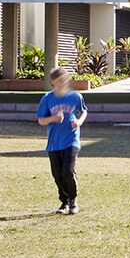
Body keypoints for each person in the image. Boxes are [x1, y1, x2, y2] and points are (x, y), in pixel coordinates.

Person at [34, 65, 87, 214]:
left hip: (71, 140)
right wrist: (53, 118)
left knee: (67, 171)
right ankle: (64, 203)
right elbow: (41, 120)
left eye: (64, 80)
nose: (62, 83)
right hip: (54, 143)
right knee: (57, 174)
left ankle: (73, 201)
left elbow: (83, 111)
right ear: (52, 81)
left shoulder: (75, 97)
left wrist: (78, 121)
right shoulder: (47, 99)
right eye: (58, 81)